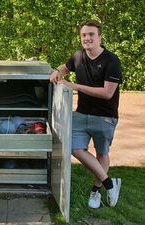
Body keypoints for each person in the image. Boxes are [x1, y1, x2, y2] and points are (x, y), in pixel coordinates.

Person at [50, 19, 122, 209]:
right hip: (81, 114)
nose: (87, 38)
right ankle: (109, 183)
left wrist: (74, 86)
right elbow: (64, 68)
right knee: (74, 148)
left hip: (105, 116)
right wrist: (57, 72)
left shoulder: (111, 60)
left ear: (99, 37)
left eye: (91, 34)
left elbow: (107, 93)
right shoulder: (78, 57)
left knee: (102, 153)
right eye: (84, 35)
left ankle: (96, 191)